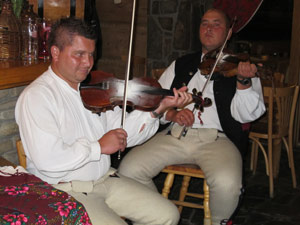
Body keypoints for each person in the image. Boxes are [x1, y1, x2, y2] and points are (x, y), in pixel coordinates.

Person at [15, 17, 193, 225]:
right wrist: (97, 147)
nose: (88, 63)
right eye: (79, 54)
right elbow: (48, 160)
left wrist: (157, 109)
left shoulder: (95, 91)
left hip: (104, 180)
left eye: (91, 54)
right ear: (55, 52)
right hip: (64, 190)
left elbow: (126, 135)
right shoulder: (37, 96)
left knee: (168, 215)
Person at [118, 8, 266, 225]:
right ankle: (157, 217)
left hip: (218, 140)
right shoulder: (181, 64)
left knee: (228, 184)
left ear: (228, 32)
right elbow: (156, 101)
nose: (208, 28)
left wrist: (243, 82)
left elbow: (245, 116)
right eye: (204, 23)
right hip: (175, 135)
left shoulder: (239, 67)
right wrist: (173, 114)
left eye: (216, 24)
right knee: (129, 170)